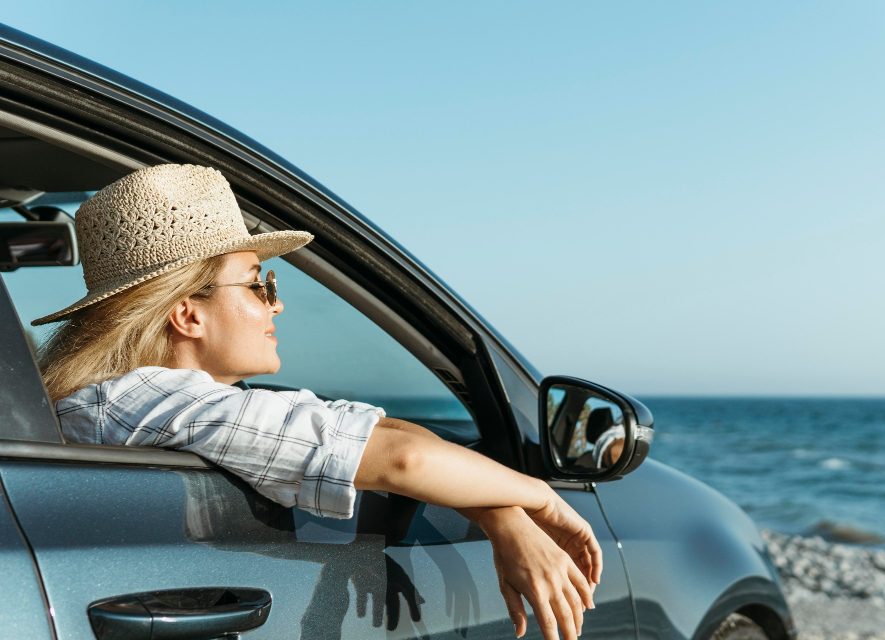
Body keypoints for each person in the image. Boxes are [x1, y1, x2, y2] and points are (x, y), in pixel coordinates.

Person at [32, 164, 601, 640]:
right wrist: (540, 498)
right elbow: (403, 461)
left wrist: (497, 510)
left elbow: (384, 437)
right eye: (259, 284)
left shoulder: (133, 402)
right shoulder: (167, 404)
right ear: (188, 313)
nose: (275, 307)